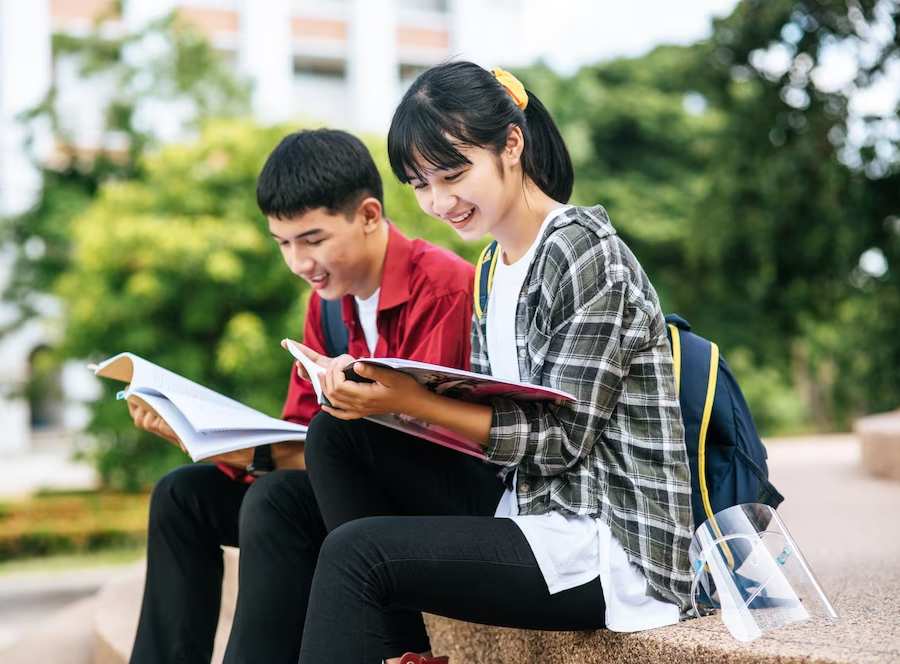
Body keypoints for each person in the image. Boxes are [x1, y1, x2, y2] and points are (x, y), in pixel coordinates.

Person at [289, 62, 695, 664]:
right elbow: (493, 415)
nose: (438, 201)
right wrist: (383, 398)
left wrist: (412, 401)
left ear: (511, 143)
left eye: (452, 174)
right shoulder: (490, 268)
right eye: (420, 184)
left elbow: (560, 440)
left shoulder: (583, 250)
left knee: (357, 552)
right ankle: (404, 656)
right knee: (336, 434)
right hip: (529, 505)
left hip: (610, 539)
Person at [126, 128, 476, 664]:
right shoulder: (329, 307)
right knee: (182, 496)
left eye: (312, 240)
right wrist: (201, 437)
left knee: (273, 501)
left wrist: (243, 453)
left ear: (368, 214)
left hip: (428, 501)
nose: (299, 262)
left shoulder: (444, 286)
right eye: (284, 243)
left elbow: (434, 449)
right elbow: (300, 431)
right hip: (341, 492)